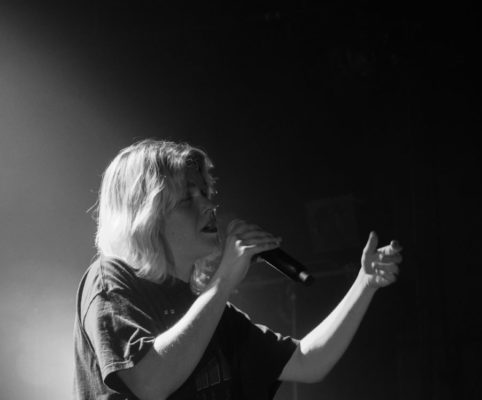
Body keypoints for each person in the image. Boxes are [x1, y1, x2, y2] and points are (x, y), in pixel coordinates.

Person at [73, 138, 402, 400]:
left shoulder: (205, 307)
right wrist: (224, 280)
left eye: (206, 193)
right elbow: (149, 383)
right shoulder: (110, 279)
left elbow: (307, 362)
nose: (208, 205)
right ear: (147, 213)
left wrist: (364, 284)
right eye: (188, 199)